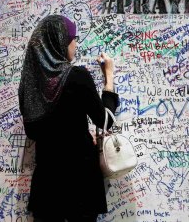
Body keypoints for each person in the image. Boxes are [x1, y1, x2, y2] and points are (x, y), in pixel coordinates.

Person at [18, 15, 119, 222]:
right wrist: (108, 77)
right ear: (60, 42)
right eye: (72, 38)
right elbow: (106, 121)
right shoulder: (77, 77)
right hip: (80, 183)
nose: (75, 44)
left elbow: (33, 132)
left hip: (47, 187)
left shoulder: (29, 86)